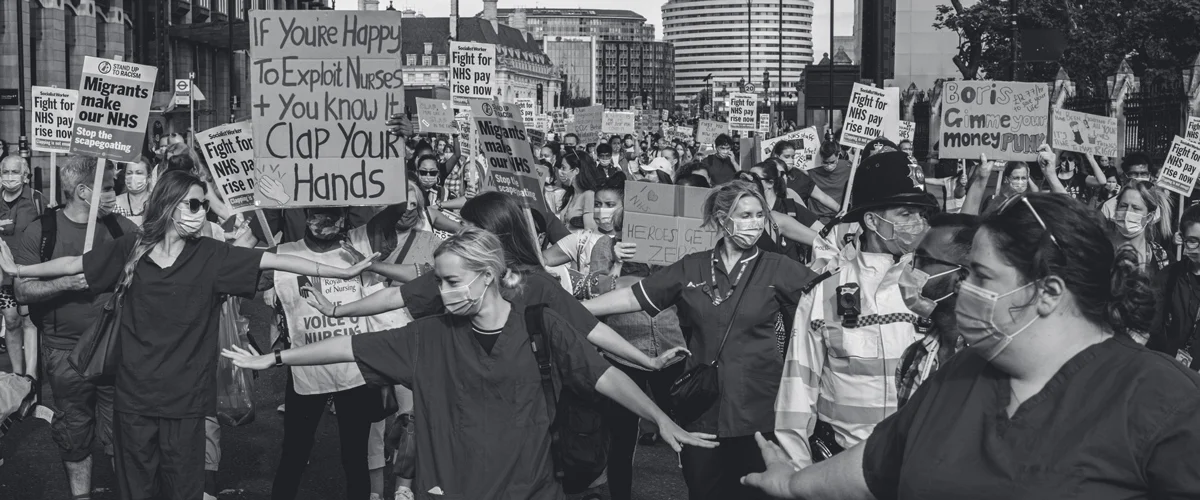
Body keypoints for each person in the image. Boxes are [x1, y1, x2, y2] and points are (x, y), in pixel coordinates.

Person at [742, 192, 1200, 499]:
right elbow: (876, 466)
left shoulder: (1165, 403)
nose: (962, 289)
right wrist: (793, 483)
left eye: (980, 277)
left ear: (1049, 292)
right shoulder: (957, 377)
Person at [223, 228, 718, 499]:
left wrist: (661, 417)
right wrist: (275, 358)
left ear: (489, 276)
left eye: (452, 282)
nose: (441, 293)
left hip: (531, 489)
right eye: (438, 281)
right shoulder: (428, 336)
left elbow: (603, 374)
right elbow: (350, 347)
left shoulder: (542, 325)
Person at [0, 170, 379, 500]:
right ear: (170, 204)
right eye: (195, 205)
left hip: (187, 402)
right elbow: (75, 264)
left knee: (182, 490)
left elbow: (274, 258)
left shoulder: (213, 255)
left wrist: (339, 273)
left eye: (203, 206)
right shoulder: (132, 248)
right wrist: (17, 269)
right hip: (133, 400)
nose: (201, 215)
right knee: (137, 489)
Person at [583, 180, 819, 500]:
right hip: (702, 412)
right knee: (703, 490)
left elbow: (826, 298)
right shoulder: (692, 266)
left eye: (759, 214)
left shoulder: (778, 267)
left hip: (758, 412)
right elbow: (634, 297)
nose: (755, 222)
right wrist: (576, 308)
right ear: (723, 220)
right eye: (745, 214)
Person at [306, 191, 686, 373]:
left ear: (497, 234)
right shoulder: (457, 272)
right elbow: (396, 298)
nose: (460, 233)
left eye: (470, 228)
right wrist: (337, 309)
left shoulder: (536, 283)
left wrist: (646, 361)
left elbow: (588, 329)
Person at [775, 151, 939, 468]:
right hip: (842, 468)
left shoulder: (932, 291)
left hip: (917, 471)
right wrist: (798, 478)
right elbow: (797, 393)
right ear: (871, 220)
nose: (917, 224)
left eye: (921, 215)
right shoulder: (824, 293)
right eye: (905, 214)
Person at [14, 155, 137, 500]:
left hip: (116, 350)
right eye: (109, 187)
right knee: (73, 433)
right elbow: (22, 290)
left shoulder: (122, 230)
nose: (115, 194)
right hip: (64, 353)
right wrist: (65, 284)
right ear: (84, 191)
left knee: (124, 434)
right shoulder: (41, 231)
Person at [266, 207, 388, 500]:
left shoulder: (357, 251)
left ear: (345, 216)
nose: (325, 220)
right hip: (306, 371)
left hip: (354, 371)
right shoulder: (281, 254)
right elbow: (237, 271)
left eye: (333, 214)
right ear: (305, 214)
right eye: (318, 213)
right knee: (294, 454)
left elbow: (392, 214)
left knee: (355, 458)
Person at [895, 213, 977, 407]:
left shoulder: (995, 365)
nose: (912, 269)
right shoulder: (912, 358)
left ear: (961, 279)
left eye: (924, 261)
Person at [0, 156, 45, 374]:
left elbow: (49, 230)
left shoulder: (37, 199)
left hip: (29, 272)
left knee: (30, 321)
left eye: (14, 172)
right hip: (3, 274)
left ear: (25, 176)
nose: (10, 177)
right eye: (5, 172)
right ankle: (17, 374)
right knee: (11, 321)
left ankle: (32, 375)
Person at [1149, 204, 1200, 368]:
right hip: (1172, 372)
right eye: (1193, 241)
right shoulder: (1168, 277)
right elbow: (1152, 329)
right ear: (1182, 239)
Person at [1107, 180, 1172, 291]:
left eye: (1136, 208)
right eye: (1123, 206)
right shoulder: (1101, 250)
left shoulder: (1161, 257)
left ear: (1150, 217)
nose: (1128, 212)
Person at [1100, 152, 1157, 219]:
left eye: (1144, 174)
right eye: (1134, 174)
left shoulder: (1158, 205)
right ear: (1124, 177)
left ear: (1150, 176)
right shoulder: (1109, 206)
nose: (1139, 178)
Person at [114, 156, 152, 226]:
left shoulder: (156, 202)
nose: (133, 177)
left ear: (149, 178)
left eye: (139, 173)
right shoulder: (115, 204)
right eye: (129, 173)